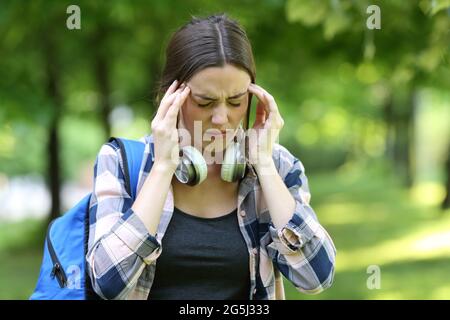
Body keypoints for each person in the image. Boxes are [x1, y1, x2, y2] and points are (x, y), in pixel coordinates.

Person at [86, 14, 336, 300]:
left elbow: (316, 277)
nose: (222, 118)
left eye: (236, 101)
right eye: (205, 102)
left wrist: (264, 166)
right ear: (171, 96)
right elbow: (106, 283)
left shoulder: (279, 166)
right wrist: (163, 168)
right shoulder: (120, 162)